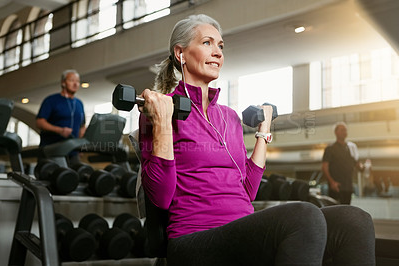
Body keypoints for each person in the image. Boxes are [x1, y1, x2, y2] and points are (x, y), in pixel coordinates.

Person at [138, 14, 375, 266]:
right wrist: (163, 122)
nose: (218, 52)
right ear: (181, 53)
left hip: (240, 229)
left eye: (220, 46)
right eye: (207, 43)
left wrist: (263, 131)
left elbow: (247, 192)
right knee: (302, 215)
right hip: (195, 238)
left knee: (354, 220)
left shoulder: (229, 117)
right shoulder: (161, 109)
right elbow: (160, 198)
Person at [36, 69, 86, 164]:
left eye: (77, 81)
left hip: (72, 152)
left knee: (78, 175)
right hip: (52, 150)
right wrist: (60, 130)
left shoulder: (79, 103)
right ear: (63, 83)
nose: (75, 84)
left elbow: (82, 126)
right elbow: (39, 122)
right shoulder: (51, 101)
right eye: (71, 80)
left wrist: (80, 145)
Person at [322, 122, 363, 204]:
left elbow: (358, 165)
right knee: (335, 212)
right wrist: (332, 182)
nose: (345, 132)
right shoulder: (330, 148)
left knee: (346, 212)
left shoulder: (350, 148)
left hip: (348, 188)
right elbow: (324, 167)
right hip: (336, 187)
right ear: (336, 132)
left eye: (346, 130)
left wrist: (364, 166)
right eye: (342, 130)